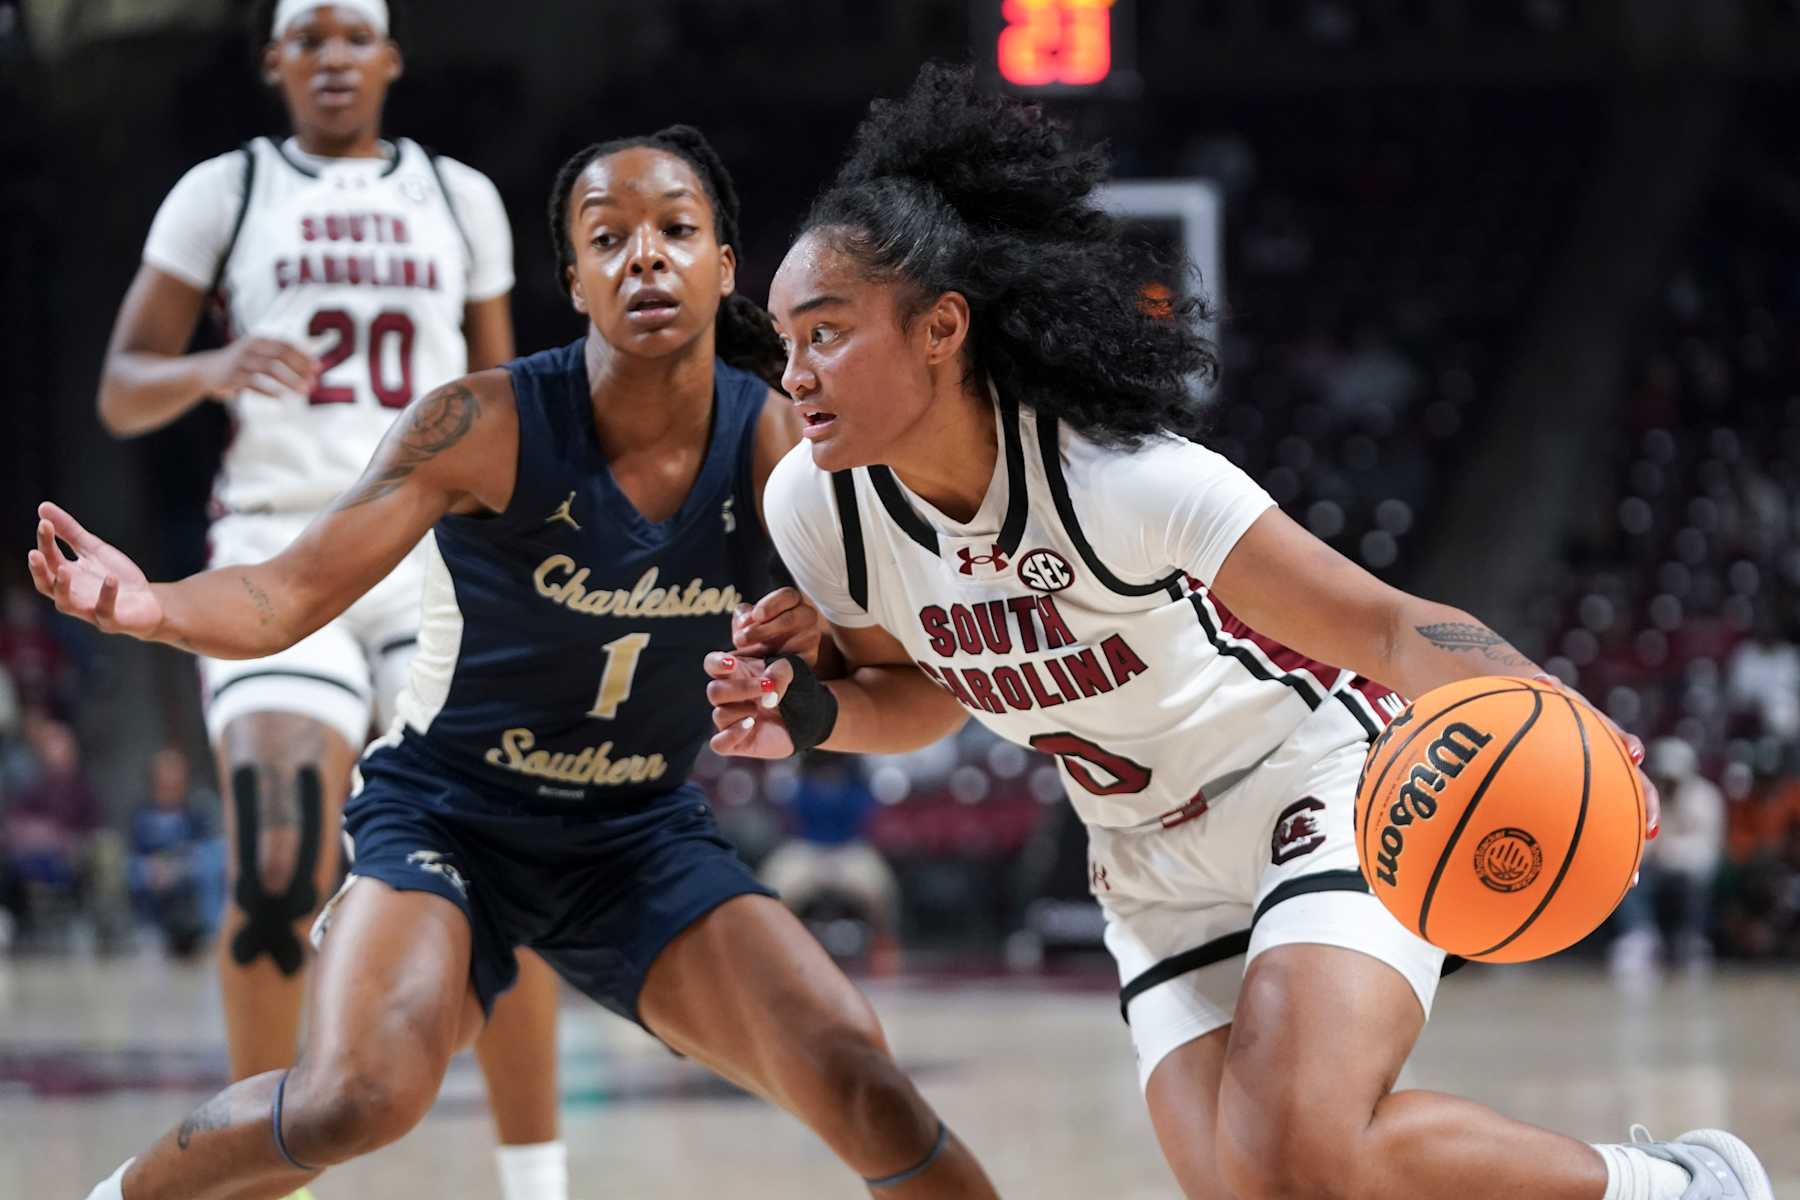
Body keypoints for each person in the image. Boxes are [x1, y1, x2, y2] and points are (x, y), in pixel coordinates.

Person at [706, 64, 1775, 1200]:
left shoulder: (1120, 479)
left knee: (1303, 1158)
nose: (794, 373)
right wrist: (809, 713)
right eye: (783, 341)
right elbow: (929, 693)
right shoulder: (816, 507)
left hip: (1308, 788)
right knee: (1256, 1188)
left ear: (941, 328)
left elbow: (1396, 628)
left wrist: (1553, 705)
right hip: (1143, 864)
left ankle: (1679, 1187)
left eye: (825, 334)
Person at [38, 123, 997, 1200]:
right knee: (352, 1098)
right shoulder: (479, 424)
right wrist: (147, 604)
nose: (646, 257)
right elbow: (287, 593)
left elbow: (918, 699)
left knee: (867, 1087)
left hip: (635, 834)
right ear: (573, 279)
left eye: (678, 231)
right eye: (609, 238)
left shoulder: (782, 449)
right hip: (454, 819)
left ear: (728, 267)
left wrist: (809, 706)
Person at [92, 2, 566, 1196]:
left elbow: (497, 389)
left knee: (509, 859)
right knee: (274, 863)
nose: (336, 57)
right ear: (275, 62)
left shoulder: (457, 196)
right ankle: (251, 1173)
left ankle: (538, 1183)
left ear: (392, 57)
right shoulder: (227, 189)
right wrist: (209, 365)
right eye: (311, 38)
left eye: (357, 35)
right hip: (275, 547)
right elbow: (120, 390)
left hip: (431, 557)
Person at [127, 747, 226, 960]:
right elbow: (135, 852)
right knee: (131, 870)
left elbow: (205, 847)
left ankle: (212, 931)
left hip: (186, 868)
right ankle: (146, 930)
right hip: (152, 872)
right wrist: (155, 867)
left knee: (215, 856)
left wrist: (177, 866)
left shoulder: (194, 810)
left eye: (177, 772)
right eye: (167, 772)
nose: (172, 779)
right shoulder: (143, 815)